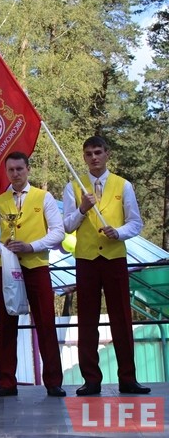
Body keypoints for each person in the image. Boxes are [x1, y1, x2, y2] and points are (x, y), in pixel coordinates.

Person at [63, 136, 150, 396]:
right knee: (86, 321)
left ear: (107, 154)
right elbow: (67, 225)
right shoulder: (73, 186)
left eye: (98, 152)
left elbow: (136, 223)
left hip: (114, 258)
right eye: (89, 154)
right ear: (84, 157)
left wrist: (119, 233)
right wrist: (82, 209)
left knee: (122, 318)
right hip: (86, 259)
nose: (94, 158)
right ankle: (91, 380)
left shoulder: (124, 186)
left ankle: (128, 378)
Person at [0, 152, 66, 397]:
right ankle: (6, 382)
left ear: (28, 169)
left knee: (45, 323)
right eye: (11, 170)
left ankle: (53, 381)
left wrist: (31, 246)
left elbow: (58, 232)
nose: (16, 174)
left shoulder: (44, 197)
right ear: (6, 172)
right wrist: (4, 249)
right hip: (8, 269)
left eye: (20, 169)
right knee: (6, 325)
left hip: (37, 266)